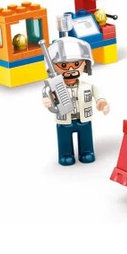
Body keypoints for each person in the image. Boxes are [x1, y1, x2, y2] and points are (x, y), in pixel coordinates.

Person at [42, 36, 110, 166]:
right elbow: (47, 95)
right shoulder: (54, 87)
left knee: (86, 138)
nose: (70, 70)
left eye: (76, 64)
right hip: (64, 120)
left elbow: (98, 94)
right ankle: (65, 154)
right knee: (64, 140)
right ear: (52, 67)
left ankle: (87, 152)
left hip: (84, 119)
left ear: (85, 64)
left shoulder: (87, 86)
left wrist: (101, 102)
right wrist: (47, 101)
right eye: (63, 65)